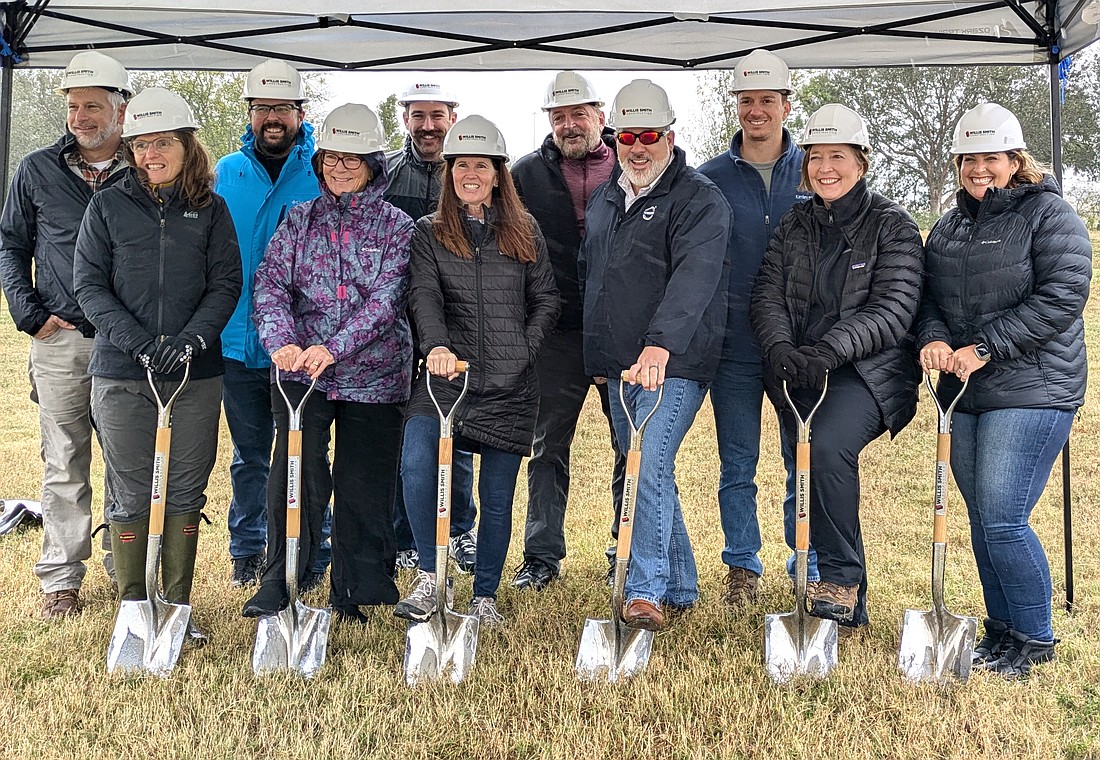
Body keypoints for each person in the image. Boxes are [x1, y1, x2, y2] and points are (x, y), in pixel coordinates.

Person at [918, 103, 1091, 678]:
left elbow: (1063, 296)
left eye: (991, 157)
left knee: (1003, 518)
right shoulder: (948, 225)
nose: (979, 168)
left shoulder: (1050, 216)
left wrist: (985, 347)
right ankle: (1002, 631)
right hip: (966, 391)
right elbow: (929, 303)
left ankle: (1036, 639)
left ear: (1016, 160)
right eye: (969, 158)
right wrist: (936, 340)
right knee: (979, 519)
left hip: (1035, 387)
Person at [73, 87, 242, 643]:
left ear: (186, 145)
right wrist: (139, 343)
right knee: (130, 489)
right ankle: (134, 608)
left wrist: (193, 340)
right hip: (123, 373)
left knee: (185, 490)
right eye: (141, 144)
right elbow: (89, 287)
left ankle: (175, 608)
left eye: (163, 142)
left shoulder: (212, 211)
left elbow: (226, 283)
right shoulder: (108, 205)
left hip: (196, 374)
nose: (151, 154)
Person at [750, 103, 923, 633]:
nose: (826, 167)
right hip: (799, 370)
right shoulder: (794, 224)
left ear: (861, 162)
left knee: (826, 448)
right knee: (808, 466)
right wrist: (781, 348)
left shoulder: (893, 226)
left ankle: (841, 576)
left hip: (867, 373)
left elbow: (894, 309)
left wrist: (828, 350)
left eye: (838, 156)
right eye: (816, 156)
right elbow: (767, 293)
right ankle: (847, 602)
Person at [244, 103, 414, 624]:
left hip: (376, 375)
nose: (340, 169)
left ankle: (353, 589)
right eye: (332, 159)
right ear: (319, 164)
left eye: (353, 160)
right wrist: (281, 343)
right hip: (300, 376)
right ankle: (281, 579)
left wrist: (334, 346)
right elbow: (270, 284)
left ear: (373, 164)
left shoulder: (397, 226)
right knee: (295, 475)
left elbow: (387, 300)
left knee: (364, 481)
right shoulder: (300, 220)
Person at [393, 115, 560, 628]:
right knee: (417, 466)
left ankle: (485, 594)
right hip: (446, 379)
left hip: (511, 385)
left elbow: (547, 299)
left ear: (497, 173)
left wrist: (523, 353)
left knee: (497, 493)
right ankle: (429, 575)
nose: (470, 173)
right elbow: (423, 296)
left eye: (480, 165)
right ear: (449, 172)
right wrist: (436, 346)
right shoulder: (429, 232)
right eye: (461, 164)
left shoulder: (524, 230)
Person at [581, 80, 731, 631]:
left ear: (670, 136)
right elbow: (593, 278)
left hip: (675, 363)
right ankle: (681, 582)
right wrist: (596, 352)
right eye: (626, 136)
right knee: (650, 470)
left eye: (648, 135)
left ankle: (643, 591)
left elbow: (695, 279)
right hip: (619, 366)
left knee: (646, 464)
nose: (636, 147)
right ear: (613, 137)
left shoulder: (698, 199)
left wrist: (660, 344)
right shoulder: (606, 197)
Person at [0, 51, 131, 620]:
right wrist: (29, 312)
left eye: (94, 106)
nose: (81, 116)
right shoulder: (35, 170)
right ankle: (61, 578)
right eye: (74, 106)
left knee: (125, 460)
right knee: (64, 458)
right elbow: (11, 245)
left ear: (120, 111)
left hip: (127, 342)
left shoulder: (150, 164)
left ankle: (124, 569)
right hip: (61, 338)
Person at [697, 49, 816, 609]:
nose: (757, 111)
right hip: (733, 345)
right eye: (747, 100)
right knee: (737, 462)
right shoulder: (711, 178)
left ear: (788, 105)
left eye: (768, 100)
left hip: (799, 346)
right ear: (737, 106)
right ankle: (742, 566)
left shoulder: (815, 169)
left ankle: (807, 562)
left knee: (801, 458)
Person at [509, 71, 626, 591]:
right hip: (556, 330)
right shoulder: (525, 175)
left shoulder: (632, 164)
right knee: (547, 445)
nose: (570, 124)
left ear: (601, 116)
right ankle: (541, 557)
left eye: (579, 114)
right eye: (559, 116)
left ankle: (626, 548)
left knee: (631, 444)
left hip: (622, 329)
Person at [214, 59, 327, 590]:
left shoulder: (322, 175)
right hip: (237, 342)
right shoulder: (224, 173)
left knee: (303, 454)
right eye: (262, 109)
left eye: (282, 108)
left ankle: (311, 547)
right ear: (251, 114)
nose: (272, 118)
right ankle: (248, 547)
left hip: (301, 349)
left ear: (300, 113)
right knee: (250, 456)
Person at [385, 81, 478, 575]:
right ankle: (406, 536)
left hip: (457, 322)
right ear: (405, 119)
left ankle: (460, 531)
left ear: (453, 115)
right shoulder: (385, 172)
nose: (427, 125)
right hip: (395, 321)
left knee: (454, 433)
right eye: (418, 116)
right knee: (410, 438)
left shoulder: (469, 169)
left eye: (436, 115)